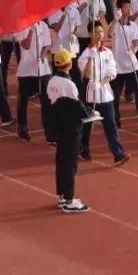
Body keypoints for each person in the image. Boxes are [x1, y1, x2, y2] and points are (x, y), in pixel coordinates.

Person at [77, 20, 130, 165]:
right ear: (90, 34)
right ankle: (83, 149)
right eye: (97, 32)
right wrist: (91, 57)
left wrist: (101, 84)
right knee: (87, 126)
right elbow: (87, 75)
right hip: (90, 96)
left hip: (105, 95)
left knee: (111, 125)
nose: (100, 34)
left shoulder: (108, 53)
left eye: (101, 31)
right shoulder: (85, 55)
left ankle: (118, 154)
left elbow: (112, 73)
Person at [49, 48, 94, 213]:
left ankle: (62, 195)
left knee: (61, 162)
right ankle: (69, 200)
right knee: (70, 164)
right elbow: (77, 107)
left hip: (59, 128)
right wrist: (90, 113)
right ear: (68, 64)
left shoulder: (52, 81)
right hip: (71, 130)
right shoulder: (69, 84)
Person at [109, 0, 138, 128]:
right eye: (126, 8)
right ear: (119, 9)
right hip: (118, 66)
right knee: (115, 95)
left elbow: (136, 42)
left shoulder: (133, 25)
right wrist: (116, 20)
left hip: (132, 65)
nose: (129, 10)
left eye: (129, 7)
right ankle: (115, 121)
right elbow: (109, 34)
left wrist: (133, 50)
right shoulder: (115, 25)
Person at [15, 17, 53, 142]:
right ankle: (23, 127)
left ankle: (49, 131)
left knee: (46, 101)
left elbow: (47, 45)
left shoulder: (44, 26)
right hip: (26, 71)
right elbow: (25, 46)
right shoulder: (23, 26)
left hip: (43, 70)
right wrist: (31, 31)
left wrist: (41, 57)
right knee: (23, 101)